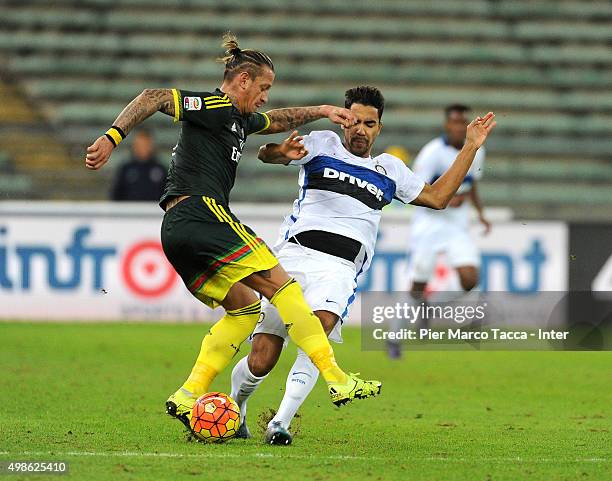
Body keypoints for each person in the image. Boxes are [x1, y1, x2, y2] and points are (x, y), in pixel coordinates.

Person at [84, 32, 382, 432]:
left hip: (174, 229)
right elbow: (154, 96)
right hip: (203, 212)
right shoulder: (214, 105)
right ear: (242, 80)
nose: (264, 97)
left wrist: (324, 110)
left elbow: (277, 120)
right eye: (263, 88)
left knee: (244, 309)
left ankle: (189, 392)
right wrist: (111, 137)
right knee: (284, 286)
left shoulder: (238, 119)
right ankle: (336, 377)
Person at [229, 86, 497, 444]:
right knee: (262, 358)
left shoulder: (390, 169)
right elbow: (266, 154)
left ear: (378, 128)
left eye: (369, 124)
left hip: (340, 268)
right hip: (292, 258)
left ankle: (280, 422)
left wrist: (470, 146)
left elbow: (438, 197)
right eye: (354, 121)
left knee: (317, 336)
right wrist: (280, 152)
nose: (360, 130)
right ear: (343, 121)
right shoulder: (322, 143)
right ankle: (236, 407)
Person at [388, 104, 491, 359]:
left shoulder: (477, 150)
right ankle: (394, 337)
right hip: (429, 223)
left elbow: (472, 183)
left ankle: (428, 308)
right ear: (447, 125)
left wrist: (480, 213)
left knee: (470, 279)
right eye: (454, 122)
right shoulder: (432, 153)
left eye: (462, 122)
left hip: (457, 224)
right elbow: (417, 190)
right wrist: (446, 198)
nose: (458, 126)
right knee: (418, 283)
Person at [110, 129, 167, 201]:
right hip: (130, 211)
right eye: (139, 144)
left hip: (155, 211)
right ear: (134, 145)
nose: (142, 148)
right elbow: (116, 195)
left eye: (145, 145)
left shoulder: (161, 169)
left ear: (151, 146)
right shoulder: (125, 169)